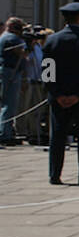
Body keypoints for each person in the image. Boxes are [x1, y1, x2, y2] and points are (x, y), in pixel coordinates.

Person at [42, 2, 79, 185]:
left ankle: (54, 174)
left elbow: (47, 71)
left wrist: (57, 94)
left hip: (59, 97)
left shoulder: (52, 40)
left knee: (57, 136)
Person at [1, 17, 29, 145]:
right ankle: (4, 133)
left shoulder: (6, 37)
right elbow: (22, 53)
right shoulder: (11, 38)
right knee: (9, 104)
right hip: (10, 72)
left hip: (9, 71)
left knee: (8, 103)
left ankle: (6, 130)